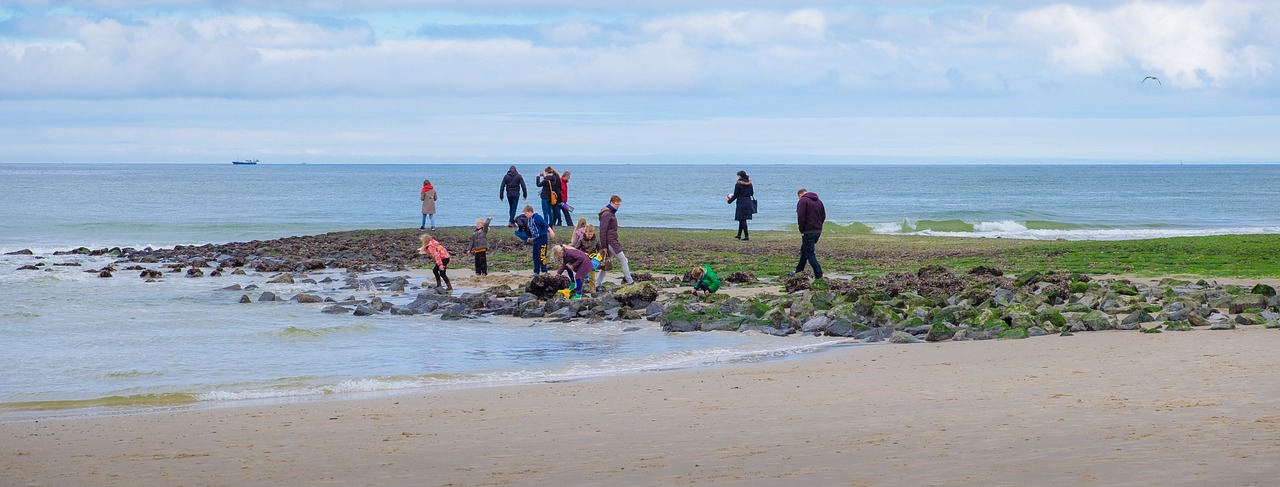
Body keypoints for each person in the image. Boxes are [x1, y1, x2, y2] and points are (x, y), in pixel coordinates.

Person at [596, 194, 634, 290]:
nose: (618, 206)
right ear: (611, 203)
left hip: (611, 241)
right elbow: (603, 231)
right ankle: (630, 282)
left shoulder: (610, 213)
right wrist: (604, 246)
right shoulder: (607, 214)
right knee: (624, 260)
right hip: (610, 242)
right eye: (616, 204)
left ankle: (597, 284)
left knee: (606, 263)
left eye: (619, 204)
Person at [793, 188, 826, 280]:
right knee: (804, 250)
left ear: (800, 195)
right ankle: (799, 270)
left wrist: (801, 230)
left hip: (808, 231)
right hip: (817, 230)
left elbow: (801, 216)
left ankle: (818, 273)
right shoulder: (819, 201)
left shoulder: (803, 201)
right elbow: (823, 216)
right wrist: (819, 226)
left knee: (810, 253)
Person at [569, 218, 601, 292]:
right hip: (583, 258)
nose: (590, 235)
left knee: (592, 274)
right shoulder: (581, 240)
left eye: (591, 234)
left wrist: (599, 253)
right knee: (582, 275)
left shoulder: (596, 239)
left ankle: (593, 291)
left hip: (593, 259)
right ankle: (580, 290)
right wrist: (583, 253)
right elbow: (576, 249)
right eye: (589, 234)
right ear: (585, 232)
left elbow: (600, 248)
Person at [524, 205, 554, 275]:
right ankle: (536, 271)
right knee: (535, 256)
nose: (525, 215)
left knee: (541, 255)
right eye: (525, 214)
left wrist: (551, 231)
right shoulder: (529, 219)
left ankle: (544, 270)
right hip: (535, 239)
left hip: (542, 238)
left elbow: (545, 224)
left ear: (530, 212)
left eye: (526, 213)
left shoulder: (537, 217)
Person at [726, 170, 754, 240]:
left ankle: (746, 236)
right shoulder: (750, 184)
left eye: (738, 176)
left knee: (742, 219)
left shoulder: (738, 184)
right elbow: (752, 193)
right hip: (748, 202)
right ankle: (739, 235)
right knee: (741, 219)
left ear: (740, 176)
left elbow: (736, 195)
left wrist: (729, 201)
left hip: (741, 203)